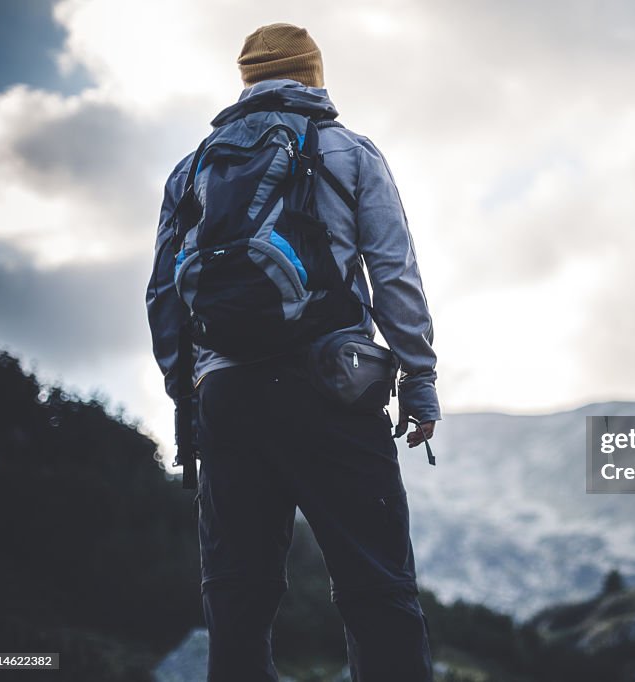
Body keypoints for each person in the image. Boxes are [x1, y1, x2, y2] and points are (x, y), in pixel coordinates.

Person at [146, 23, 439, 682]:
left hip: (226, 400)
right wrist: (419, 384)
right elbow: (395, 278)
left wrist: (186, 399)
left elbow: (164, 297)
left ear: (245, 82)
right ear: (315, 76)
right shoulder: (349, 153)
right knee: (377, 589)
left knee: (237, 601)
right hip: (333, 390)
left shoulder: (191, 169)